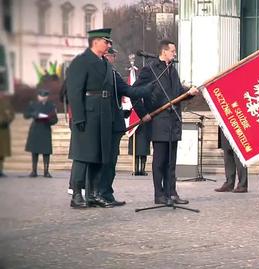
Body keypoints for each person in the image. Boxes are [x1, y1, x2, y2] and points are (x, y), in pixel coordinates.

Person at [66, 28, 152, 209]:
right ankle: (77, 195)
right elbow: (74, 92)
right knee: (83, 156)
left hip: (104, 116)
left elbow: (125, 89)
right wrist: (79, 118)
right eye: (106, 42)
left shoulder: (105, 64)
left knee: (98, 155)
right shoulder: (81, 62)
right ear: (95, 41)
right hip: (88, 114)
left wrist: (146, 89)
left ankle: (93, 195)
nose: (109, 45)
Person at [132, 39, 200, 206]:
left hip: (173, 120)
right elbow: (134, 92)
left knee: (171, 161)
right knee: (160, 160)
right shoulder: (150, 69)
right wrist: (143, 113)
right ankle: (159, 194)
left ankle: (172, 191)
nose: (174, 54)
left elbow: (177, 92)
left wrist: (190, 92)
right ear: (164, 52)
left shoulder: (172, 70)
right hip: (158, 121)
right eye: (172, 51)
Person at [96, 47, 151, 206]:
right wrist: (144, 90)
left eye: (112, 55)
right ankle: (99, 192)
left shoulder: (113, 73)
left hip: (115, 123)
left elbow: (126, 90)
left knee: (111, 161)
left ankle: (106, 193)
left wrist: (144, 90)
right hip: (105, 123)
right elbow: (127, 90)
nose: (113, 58)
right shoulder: (102, 73)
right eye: (111, 55)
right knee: (105, 160)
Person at [23, 88, 58, 178]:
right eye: (41, 96)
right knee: (34, 151)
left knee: (46, 152)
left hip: (45, 129)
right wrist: (33, 114)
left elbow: (55, 119)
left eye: (45, 96)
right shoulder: (33, 104)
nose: (43, 98)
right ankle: (34, 171)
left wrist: (48, 120)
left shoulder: (51, 106)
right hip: (35, 129)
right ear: (38, 96)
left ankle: (46, 171)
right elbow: (26, 115)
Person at [214, 128, 248, 193]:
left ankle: (242, 185)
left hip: (236, 126)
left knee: (239, 157)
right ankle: (229, 184)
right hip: (225, 127)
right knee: (228, 155)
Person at [0, 92, 14, 177]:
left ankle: (0, 170)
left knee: (2, 152)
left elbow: (11, 115)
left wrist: (5, 120)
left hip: (3, 131)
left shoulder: (6, 104)